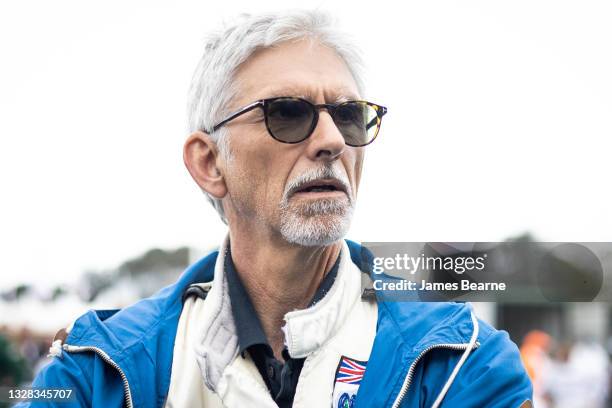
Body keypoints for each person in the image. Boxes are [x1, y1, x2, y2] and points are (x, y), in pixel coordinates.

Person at [24, 9, 532, 407]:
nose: (332, 140)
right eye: (288, 113)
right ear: (209, 162)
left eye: (349, 115)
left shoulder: (464, 362)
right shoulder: (96, 369)